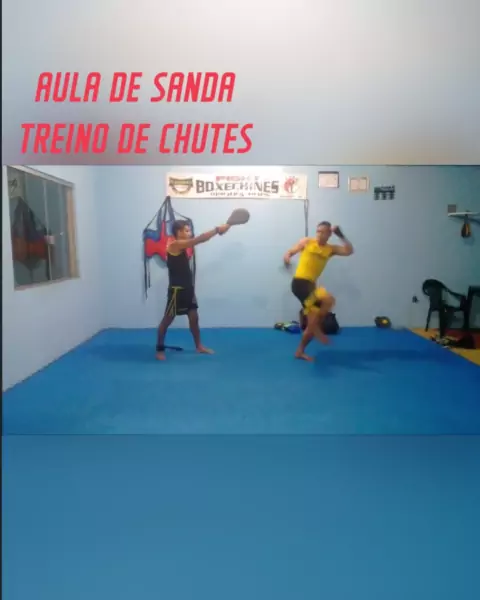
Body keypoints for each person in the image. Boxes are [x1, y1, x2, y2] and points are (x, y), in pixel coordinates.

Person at [156, 220, 231, 360]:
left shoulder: (182, 245)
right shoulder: (174, 244)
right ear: (178, 232)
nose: (189, 233)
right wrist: (217, 229)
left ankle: (199, 346)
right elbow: (199, 239)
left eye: (189, 230)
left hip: (188, 290)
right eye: (186, 230)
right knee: (167, 321)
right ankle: (159, 349)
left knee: (194, 319)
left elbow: (197, 240)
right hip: (177, 292)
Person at [283, 221, 354, 361]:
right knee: (328, 299)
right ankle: (316, 329)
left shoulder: (330, 249)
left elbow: (349, 251)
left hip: (311, 286)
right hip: (299, 283)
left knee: (313, 322)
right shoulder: (307, 242)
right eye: (318, 231)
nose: (319, 234)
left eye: (323, 232)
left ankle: (300, 351)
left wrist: (341, 235)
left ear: (329, 234)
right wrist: (287, 257)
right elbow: (290, 252)